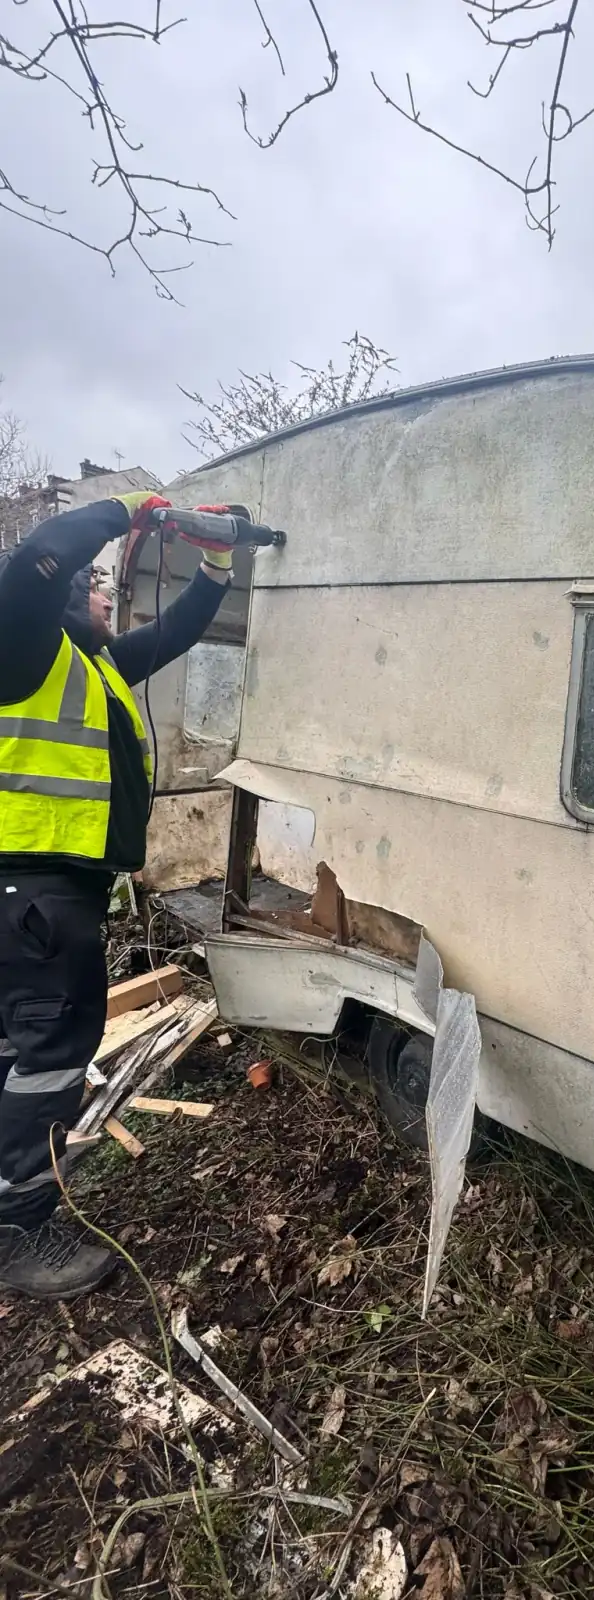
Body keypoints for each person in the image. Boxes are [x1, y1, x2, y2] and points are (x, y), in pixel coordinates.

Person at [0, 490, 236, 1299]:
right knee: (50, 1056)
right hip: (34, 889)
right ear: (62, 597)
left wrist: (216, 558)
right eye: (95, 589)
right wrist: (128, 509)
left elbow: (177, 632)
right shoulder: (23, 646)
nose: (108, 597)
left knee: (13, 1053)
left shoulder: (92, 662)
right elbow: (41, 555)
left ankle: (16, 1180)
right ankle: (21, 1230)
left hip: (36, 895)